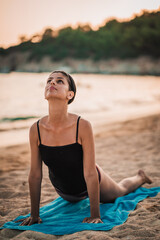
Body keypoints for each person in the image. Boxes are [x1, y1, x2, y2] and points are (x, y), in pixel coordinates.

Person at [16, 70, 152, 226]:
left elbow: (89, 172)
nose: (52, 83)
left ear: (70, 95)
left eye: (59, 81)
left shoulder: (82, 126)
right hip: (65, 192)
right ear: (45, 93)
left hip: (91, 181)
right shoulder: (36, 129)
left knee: (120, 192)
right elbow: (35, 174)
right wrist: (34, 215)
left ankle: (140, 177)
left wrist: (95, 214)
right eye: (49, 81)